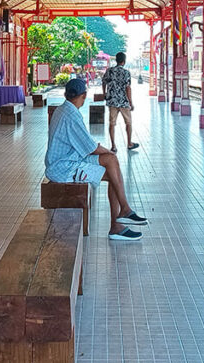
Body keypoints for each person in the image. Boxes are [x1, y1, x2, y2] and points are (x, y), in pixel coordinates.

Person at [46, 78, 147, 241]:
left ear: (66, 94)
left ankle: (121, 217)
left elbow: (86, 145)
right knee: (112, 163)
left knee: (111, 165)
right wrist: (109, 152)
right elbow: (91, 147)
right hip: (63, 168)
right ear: (83, 96)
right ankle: (121, 217)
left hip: (68, 161)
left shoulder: (63, 109)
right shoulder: (71, 115)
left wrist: (108, 154)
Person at [102, 51, 138, 153]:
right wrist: (131, 102)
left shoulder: (109, 71)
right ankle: (129, 143)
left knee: (112, 123)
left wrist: (104, 93)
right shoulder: (126, 73)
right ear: (124, 61)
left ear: (116, 60)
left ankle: (113, 146)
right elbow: (128, 88)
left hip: (112, 101)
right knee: (128, 123)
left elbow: (103, 82)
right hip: (123, 102)